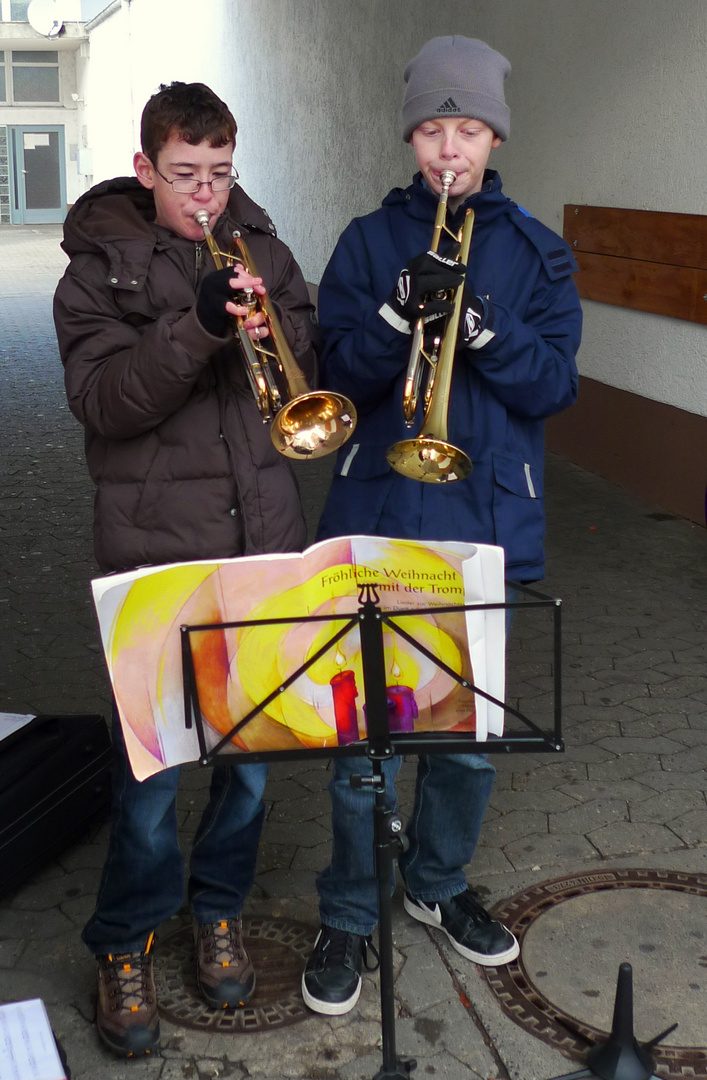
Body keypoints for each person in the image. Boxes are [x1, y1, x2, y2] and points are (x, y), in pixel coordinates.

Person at [301, 36, 582, 1016]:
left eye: (465, 128)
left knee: (462, 742)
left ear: (494, 134)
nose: (447, 148)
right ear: (411, 137)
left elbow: (553, 385)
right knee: (361, 747)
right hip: (379, 514)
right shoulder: (366, 241)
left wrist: (484, 333)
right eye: (431, 128)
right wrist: (391, 320)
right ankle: (346, 907)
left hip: (483, 519)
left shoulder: (538, 251)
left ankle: (433, 881)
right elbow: (331, 373)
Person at [53, 81, 318, 1057]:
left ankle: (218, 912)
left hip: (261, 552)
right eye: (183, 175)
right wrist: (199, 325)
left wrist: (273, 326)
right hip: (157, 562)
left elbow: (304, 363)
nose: (204, 194)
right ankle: (123, 940)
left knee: (246, 771)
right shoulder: (96, 276)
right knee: (152, 781)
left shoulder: (266, 250)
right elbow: (105, 401)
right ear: (144, 169)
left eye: (218, 172)